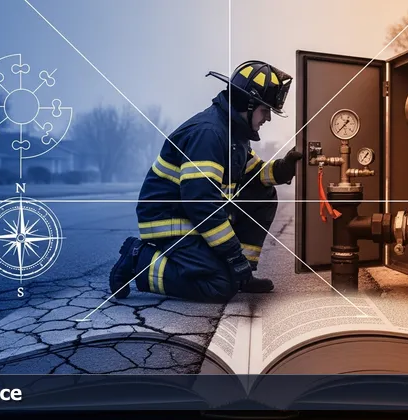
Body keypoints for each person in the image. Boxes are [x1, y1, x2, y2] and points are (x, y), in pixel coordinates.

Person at [108, 60, 302, 303]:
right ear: (249, 104)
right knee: (219, 286)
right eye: (266, 111)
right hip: (170, 221)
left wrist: (285, 168)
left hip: (191, 217)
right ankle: (138, 259)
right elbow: (201, 202)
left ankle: (243, 276)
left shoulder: (234, 134)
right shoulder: (209, 134)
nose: (268, 119)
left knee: (263, 192)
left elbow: (255, 176)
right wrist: (233, 256)